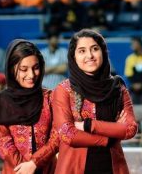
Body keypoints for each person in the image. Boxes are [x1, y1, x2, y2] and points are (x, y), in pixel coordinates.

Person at [52, 29, 137, 173]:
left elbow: (130, 129)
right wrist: (109, 137)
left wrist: (88, 125)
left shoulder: (117, 88)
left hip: (112, 167)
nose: (89, 55)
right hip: (74, 168)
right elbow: (67, 134)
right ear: (73, 57)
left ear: (103, 52)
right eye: (82, 51)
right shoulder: (64, 89)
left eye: (95, 49)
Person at [0, 39, 59, 174]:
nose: (31, 75)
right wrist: (23, 168)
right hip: (15, 170)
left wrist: (34, 163)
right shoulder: (2, 101)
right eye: (23, 69)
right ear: (12, 69)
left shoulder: (50, 98)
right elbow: (2, 141)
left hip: (48, 170)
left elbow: (57, 136)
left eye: (36, 68)